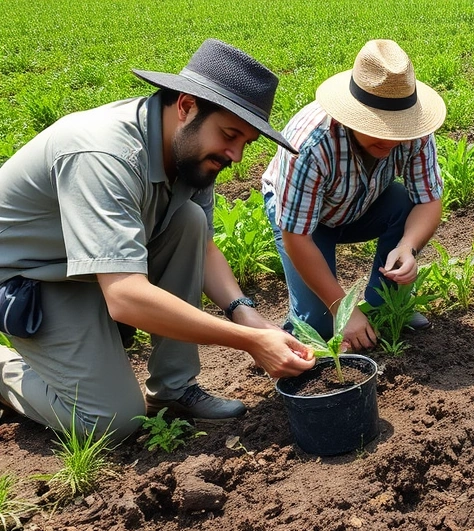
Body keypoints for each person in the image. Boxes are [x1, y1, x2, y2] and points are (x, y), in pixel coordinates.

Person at [0, 39, 315, 443]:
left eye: (246, 143)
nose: (236, 155)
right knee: (111, 422)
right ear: (186, 107)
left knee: (188, 220)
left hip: (92, 268)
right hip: (31, 280)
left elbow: (201, 246)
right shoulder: (103, 154)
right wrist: (251, 342)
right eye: (230, 135)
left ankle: (173, 389)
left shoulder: (189, 152)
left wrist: (247, 315)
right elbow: (126, 297)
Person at [262, 39, 446, 351]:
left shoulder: (415, 132)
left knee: (404, 202)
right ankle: (311, 324)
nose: (390, 139)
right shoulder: (311, 144)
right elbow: (296, 236)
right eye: (378, 127)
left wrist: (408, 247)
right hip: (306, 223)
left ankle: (382, 307)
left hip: (363, 204)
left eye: (398, 129)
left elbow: (428, 199)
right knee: (321, 328)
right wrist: (342, 308)